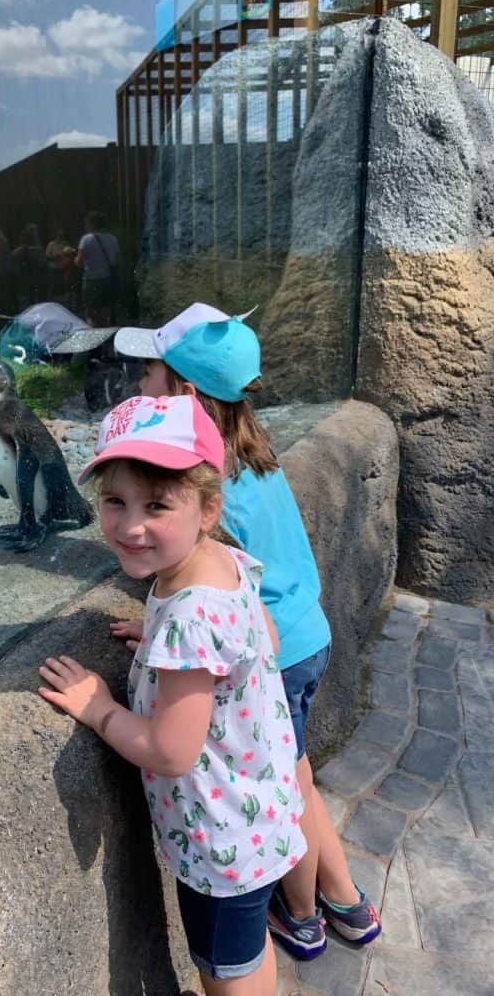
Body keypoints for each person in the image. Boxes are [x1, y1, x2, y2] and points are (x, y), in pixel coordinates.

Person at [112, 303, 382, 960]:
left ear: (184, 391)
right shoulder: (252, 450)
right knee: (298, 778)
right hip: (303, 631)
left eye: (148, 374)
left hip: (277, 651)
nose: (138, 386)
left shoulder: (210, 479)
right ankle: (347, 903)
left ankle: (302, 915)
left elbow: (206, 592)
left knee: (288, 789)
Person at [38, 393, 306, 996]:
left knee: (223, 973)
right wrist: (167, 643)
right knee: (247, 950)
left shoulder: (190, 616)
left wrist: (98, 707)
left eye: (156, 504)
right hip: (259, 814)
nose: (130, 526)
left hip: (220, 844)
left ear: (207, 507)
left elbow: (170, 750)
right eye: (114, 501)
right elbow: (260, 637)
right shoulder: (226, 563)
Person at [75, 211, 119, 328]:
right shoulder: (113, 239)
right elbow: (115, 261)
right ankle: (106, 340)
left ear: (91, 224)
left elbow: (78, 263)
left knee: (91, 315)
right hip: (107, 280)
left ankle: (94, 341)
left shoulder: (86, 239)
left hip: (91, 281)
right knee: (106, 313)